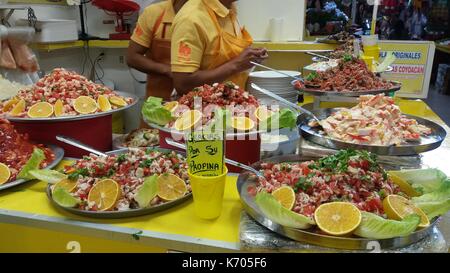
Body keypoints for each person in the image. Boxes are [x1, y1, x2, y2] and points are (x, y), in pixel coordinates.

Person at [170, 0, 268, 94]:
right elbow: (183, 84)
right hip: (201, 107)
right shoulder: (190, 19)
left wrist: (249, 58)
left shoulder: (229, 8)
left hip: (231, 104)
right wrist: (237, 65)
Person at [127, 0, 188, 100]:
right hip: (157, 103)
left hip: (198, 103)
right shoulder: (153, 13)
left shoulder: (208, 16)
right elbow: (132, 57)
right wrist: (168, 70)